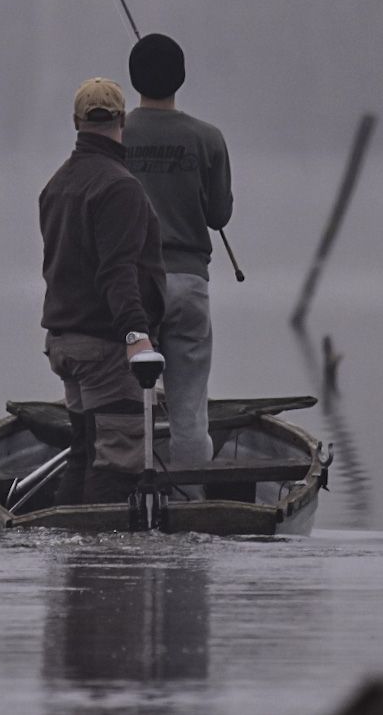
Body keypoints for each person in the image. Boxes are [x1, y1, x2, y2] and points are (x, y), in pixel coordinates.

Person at [40, 77, 167, 504]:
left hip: (64, 343)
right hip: (104, 347)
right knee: (119, 463)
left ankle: (68, 553)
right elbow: (118, 272)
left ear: (76, 122)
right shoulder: (120, 186)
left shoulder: (55, 186)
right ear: (121, 120)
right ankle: (101, 560)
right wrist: (137, 337)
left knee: (83, 453)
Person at [122, 34, 232, 489]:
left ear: (133, 78)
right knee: (189, 411)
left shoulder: (116, 136)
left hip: (133, 287)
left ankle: (127, 494)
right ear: (181, 79)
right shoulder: (208, 138)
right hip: (189, 282)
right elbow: (219, 215)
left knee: (128, 404)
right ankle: (190, 502)